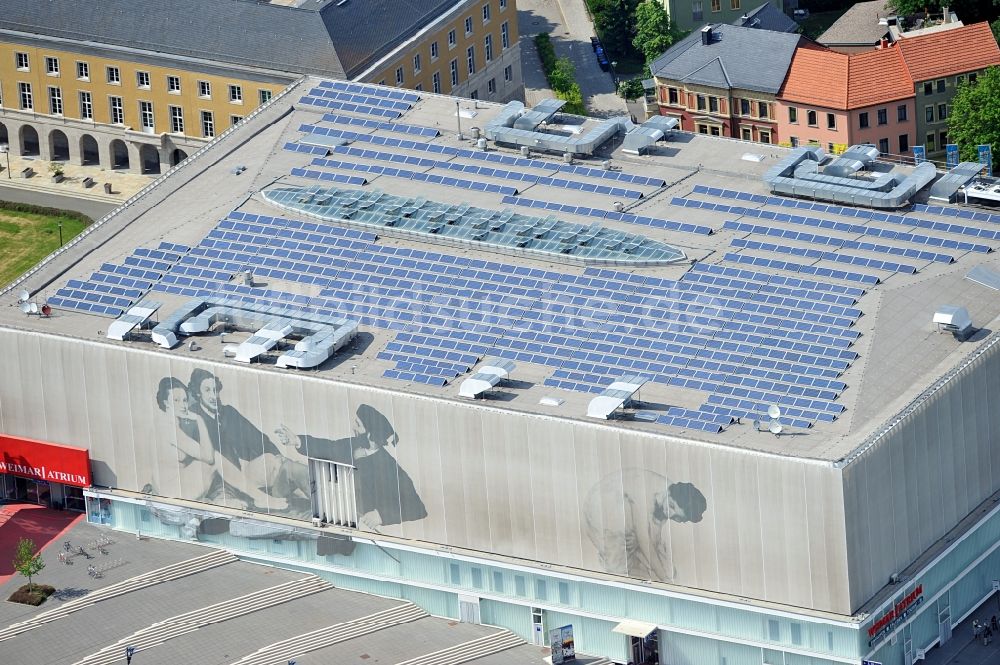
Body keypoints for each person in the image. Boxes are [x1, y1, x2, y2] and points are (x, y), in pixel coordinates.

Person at [288, 404, 427, 530]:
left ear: (371, 435)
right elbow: (328, 447)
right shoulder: (352, 444)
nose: (353, 427)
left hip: (357, 529)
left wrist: (381, 515)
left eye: (358, 425)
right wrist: (297, 441)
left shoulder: (390, 467)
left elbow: (416, 507)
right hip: (333, 511)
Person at [583, 469, 707, 582]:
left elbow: (653, 536)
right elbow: (645, 541)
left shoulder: (674, 497)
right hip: (602, 513)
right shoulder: (647, 493)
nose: (670, 513)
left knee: (656, 562)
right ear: (668, 494)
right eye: (671, 506)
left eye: (677, 516)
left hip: (622, 514)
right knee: (621, 568)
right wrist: (664, 579)